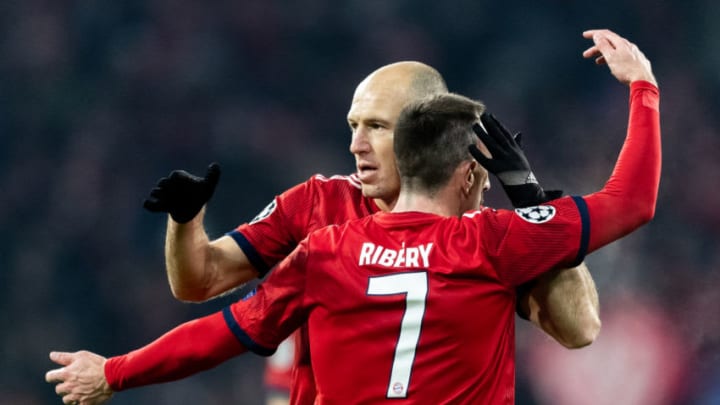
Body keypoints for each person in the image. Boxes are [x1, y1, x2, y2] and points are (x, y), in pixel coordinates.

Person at [46, 28, 659, 404]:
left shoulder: (342, 243)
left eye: (375, 127)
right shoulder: (475, 235)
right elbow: (197, 283)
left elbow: (580, 330)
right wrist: (186, 222)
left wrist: (118, 372)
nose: (356, 144)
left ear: (424, 127)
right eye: (351, 127)